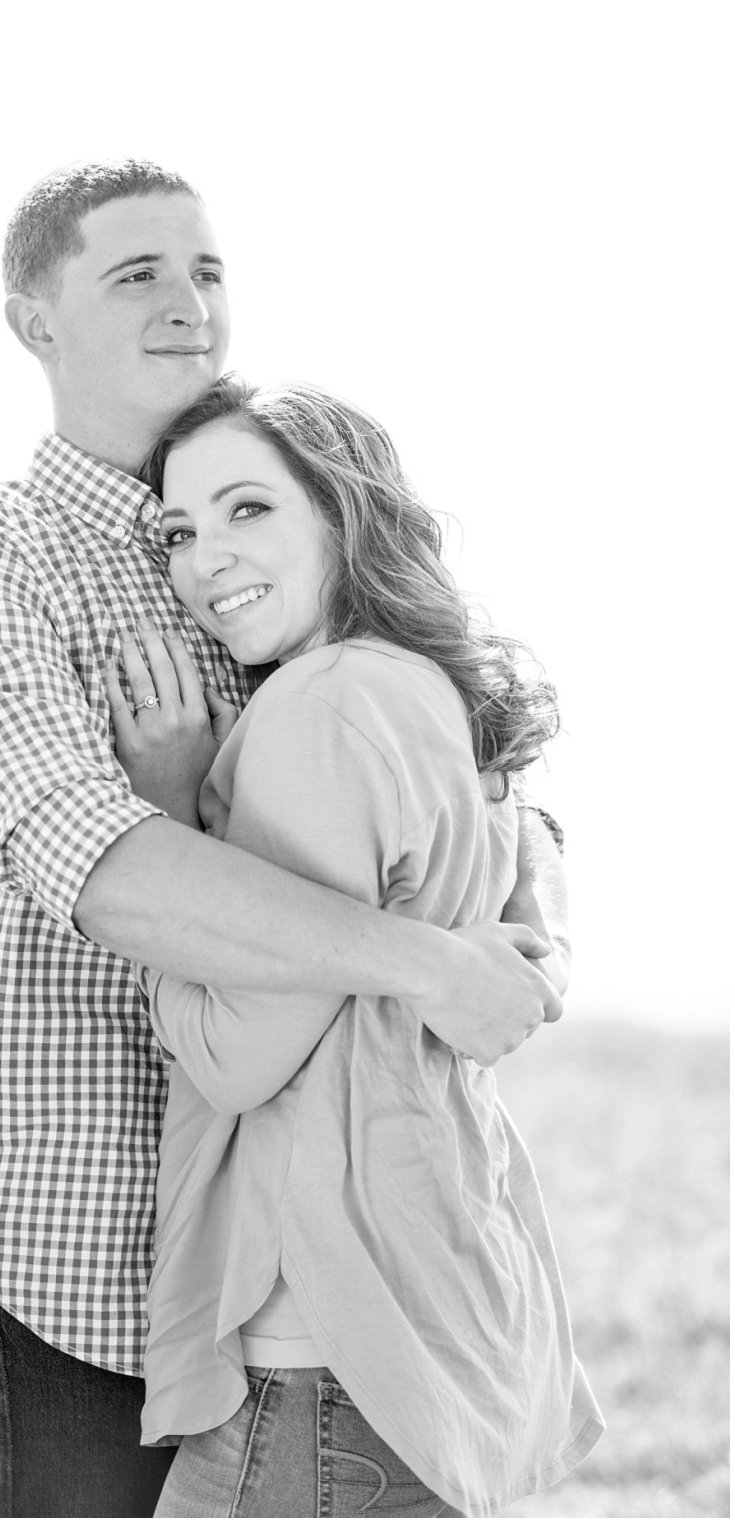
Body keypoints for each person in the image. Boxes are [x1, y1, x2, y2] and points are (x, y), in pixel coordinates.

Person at [0, 159, 567, 1519]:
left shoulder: (267, 511)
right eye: (137, 273)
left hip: (277, 1252)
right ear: (35, 321)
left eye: (206, 270)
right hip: (64, 1227)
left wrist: (531, 949)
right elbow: (108, 870)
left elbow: (489, 781)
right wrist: (435, 962)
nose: (188, 302)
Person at [104, 375, 604, 1518]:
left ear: (344, 513)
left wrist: (170, 819)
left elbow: (236, 1055)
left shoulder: (320, 708)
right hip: (430, 1302)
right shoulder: (433, 692)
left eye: (248, 508)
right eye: (179, 531)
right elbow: (534, 914)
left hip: (318, 1351)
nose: (205, 559)